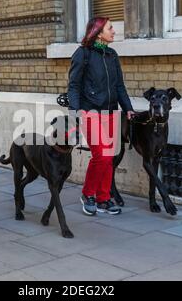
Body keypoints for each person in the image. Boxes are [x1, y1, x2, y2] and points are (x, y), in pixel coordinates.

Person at [67, 17, 135, 216]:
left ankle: (103, 198)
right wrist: (75, 112)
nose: (114, 31)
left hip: (111, 112)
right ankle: (88, 194)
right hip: (90, 111)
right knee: (101, 155)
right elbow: (74, 86)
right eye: (110, 28)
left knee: (109, 156)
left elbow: (119, 86)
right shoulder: (83, 54)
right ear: (98, 32)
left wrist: (128, 107)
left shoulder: (112, 55)